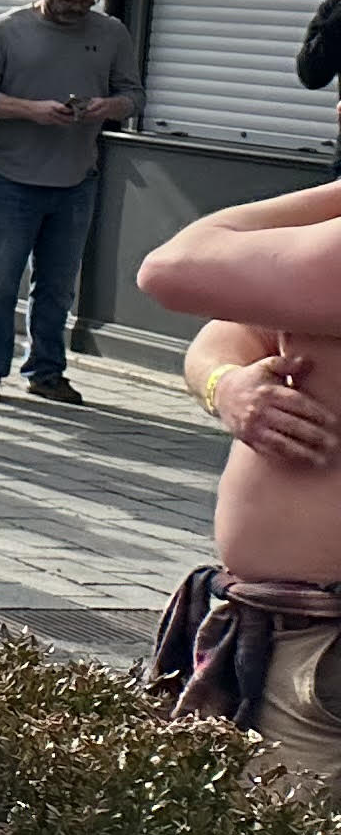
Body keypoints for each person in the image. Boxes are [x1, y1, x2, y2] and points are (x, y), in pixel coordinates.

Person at [149, 188, 341, 800]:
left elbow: (175, 265)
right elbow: (229, 335)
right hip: (294, 639)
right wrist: (225, 386)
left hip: (321, 652)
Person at [0, 0, 139, 404]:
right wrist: (32, 111)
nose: (75, 10)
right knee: (0, 280)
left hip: (76, 179)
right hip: (12, 177)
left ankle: (46, 370)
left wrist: (108, 107)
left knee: (58, 286)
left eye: (86, 2)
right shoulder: (5, 31)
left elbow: (132, 95)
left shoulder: (110, 34)